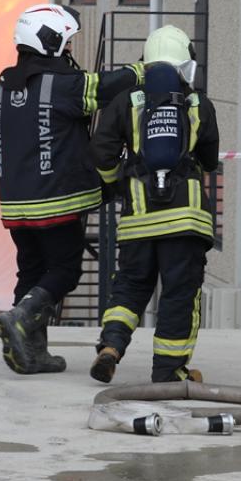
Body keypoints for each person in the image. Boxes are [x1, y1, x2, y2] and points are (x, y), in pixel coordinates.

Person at [0, 3, 145, 375]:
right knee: (65, 270)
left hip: (14, 204)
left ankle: (31, 352)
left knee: (30, 271)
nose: (70, 50)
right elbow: (106, 87)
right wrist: (144, 69)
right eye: (67, 42)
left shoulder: (2, 85)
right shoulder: (62, 85)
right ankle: (20, 316)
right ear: (50, 42)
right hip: (56, 200)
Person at [88, 26, 221, 384]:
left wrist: (119, 182)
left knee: (129, 286)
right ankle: (168, 370)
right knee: (179, 295)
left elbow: (101, 151)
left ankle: (111, 347)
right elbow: (209, 161)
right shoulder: (198, 104)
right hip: (186, 220)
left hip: (138, 217)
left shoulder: (125, 101)